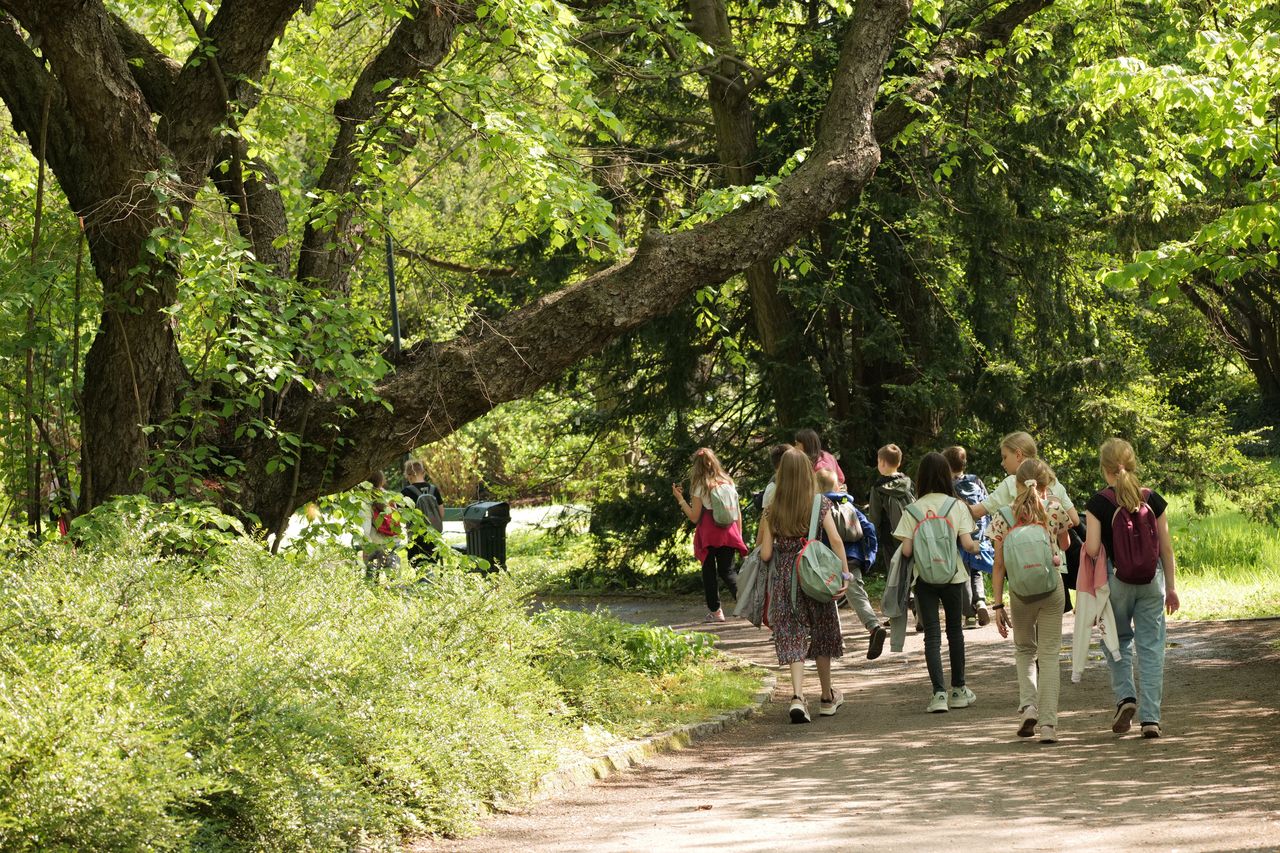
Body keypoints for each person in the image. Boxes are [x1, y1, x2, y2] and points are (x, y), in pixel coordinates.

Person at [1084, 438, 1179, 739]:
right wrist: (1172, 588)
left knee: (1117, 640)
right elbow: (1166, 548)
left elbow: (1094, 547)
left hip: (1117, 583)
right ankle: (1151, 719)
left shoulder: (1098, 503)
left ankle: (1126, 698)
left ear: (1104, 469)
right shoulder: (1153, 499)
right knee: (1151, 647)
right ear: (1133, 463)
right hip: (1153, 581)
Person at [758, 448, 849, 723]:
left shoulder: (771, 510)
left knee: (792, 633)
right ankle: (826, 697)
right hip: (814, 574)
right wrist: (844, 574)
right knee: (822, 630)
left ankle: (797, 697)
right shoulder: (819, 503)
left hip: (787, 577)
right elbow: (835, 539)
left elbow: (764, 554)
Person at [989, 458, 1073, 743]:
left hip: (1020, 593)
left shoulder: (1003, 515)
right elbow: (1066, 545)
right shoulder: (1053, 509)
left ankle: (1029, 707)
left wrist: (997, 604)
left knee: (1024, 650)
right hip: (1051, 589)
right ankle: (1048, 725)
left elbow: (998, 565)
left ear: (1016, 483)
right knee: (1049, 656)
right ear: (1046, 483)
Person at [893, 451, 980, 714]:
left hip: (924, 579)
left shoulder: (912, 510)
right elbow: (967, 544)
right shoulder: (956, 506)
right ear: (945, 475)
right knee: (955, 632)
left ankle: (939, 694)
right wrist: (982, 546)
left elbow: (907, 551)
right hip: (954, 577)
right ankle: (959, 690)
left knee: (932, 634)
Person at [816, 468, 888, 660]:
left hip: (826, 559)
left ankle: (836, 638)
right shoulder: (849, 506)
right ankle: (873, 627)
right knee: (857, 595)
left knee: (827, 598)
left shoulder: (819, 508)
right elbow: (869, 528)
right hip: (852, 559)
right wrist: (869, 557)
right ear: (838, 487)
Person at [673, 447, 748, 622]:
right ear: (714, 461)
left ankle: (716, 612)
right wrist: (739, 534)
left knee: (709, 571)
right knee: (727, 570)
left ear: (696, 466)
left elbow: (694, 517)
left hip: (708, 533)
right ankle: (744, 604)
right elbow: (737, 511)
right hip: (729, 531)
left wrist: (680, 499)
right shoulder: (728, 481)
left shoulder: (699, 485)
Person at [971, 432, 1080, 527]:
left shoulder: (1011, 482)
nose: (1002, 463)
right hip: (1053, 550)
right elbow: (1075, 520)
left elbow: (976, 512)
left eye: (1005, 457)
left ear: (1018, 454)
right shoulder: (1053, 481)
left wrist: (955, 503)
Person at [944, 445, 994, 627]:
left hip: (958, 534)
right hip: (978, 532)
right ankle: (980, 601)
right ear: (964, 463)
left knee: (963, 571)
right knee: (976, 569)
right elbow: (987, 504)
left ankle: (969, 615)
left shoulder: (947, 485)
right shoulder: (975, 480)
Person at [870, 443, 915, 574]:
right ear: (899, 463)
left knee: (894, 569)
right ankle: (910, 592)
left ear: (882, 463)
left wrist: (872, 534)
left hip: (889, 534)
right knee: (910, 565)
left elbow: (874, 516)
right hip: (910, 532)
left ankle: (897, 593)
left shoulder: (878, 487)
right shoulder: (908, 482)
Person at [401, 459, 445, 567]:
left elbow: (402, 517)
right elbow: (441, 513)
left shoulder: (406, 492)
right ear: (423, 472)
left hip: (416, 537)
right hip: (433, 536)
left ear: (408, 475)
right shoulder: (434, 490)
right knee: (431, 565)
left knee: (419, 567)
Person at [361, 470, 402, 580]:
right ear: (382, 481)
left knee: (370, 578)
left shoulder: (364, 500)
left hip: (374, 543)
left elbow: (365, 528)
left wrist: (365, 548)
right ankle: (395, 592)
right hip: (392, 541)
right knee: (393, 579)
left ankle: (371, 591)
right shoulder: (389, 496)